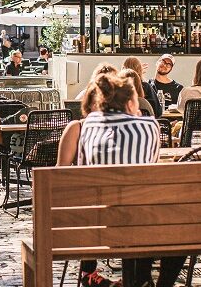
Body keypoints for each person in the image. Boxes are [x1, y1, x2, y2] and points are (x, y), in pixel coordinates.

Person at [58, 72, 184, 287]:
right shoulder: (151, 127)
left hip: (95, 226)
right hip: (140, 224)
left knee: (136, 213)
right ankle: (149, 282)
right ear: (130, 102)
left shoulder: (88, 125)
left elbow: (81, 165)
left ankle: (138, 281)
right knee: (169, 224)